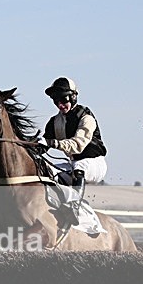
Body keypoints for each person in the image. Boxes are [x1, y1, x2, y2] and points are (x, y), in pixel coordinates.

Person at [37, 77, 108, 225]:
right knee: (47, 170)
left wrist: (51, 142)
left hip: (95, 163)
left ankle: (74, 207)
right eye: (56, 101)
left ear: (73, 96)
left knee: (79, 167)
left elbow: (78, 145)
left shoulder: (86, 117)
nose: (60, 105)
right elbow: (42, 145)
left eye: (63, 99)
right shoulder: (55, 121)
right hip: (73, 162)